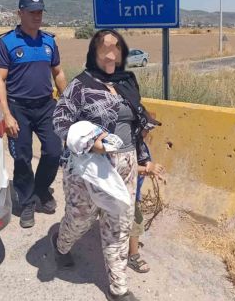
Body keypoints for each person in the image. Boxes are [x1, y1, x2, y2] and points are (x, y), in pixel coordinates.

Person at [51, 29, 159, 301]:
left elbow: (135, 122)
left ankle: (118, 289)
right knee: (80, 219)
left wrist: (143, 153)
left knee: (119, 224)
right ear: (94, 52)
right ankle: (61, 245)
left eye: (116, 47)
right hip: (89, 165)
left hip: (126, 163)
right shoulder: (80, 85)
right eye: (105, 47)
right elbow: (60, 121)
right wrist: (91, 142)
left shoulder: (127, 81)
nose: (111, 53)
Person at [0, 0, 67, 228]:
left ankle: (41, 189)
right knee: (22, 158)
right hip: (18, 108)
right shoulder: (7, 42)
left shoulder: (49, 42)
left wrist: (67, 101)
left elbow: (58, 72)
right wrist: (6, 114)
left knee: (54, 151)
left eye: (40, 12)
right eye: (32, 12)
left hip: (46, 106)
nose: (37, 16)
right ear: (20, 13)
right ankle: (26, 202)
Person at [128, 140, 165, 274]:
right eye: (146, 130)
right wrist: (147, 169)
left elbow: (146, 163)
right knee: (136, 222)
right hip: (125, 193)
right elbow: (122, 166)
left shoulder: (141, 145)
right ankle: (133, 256)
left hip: (133, 193)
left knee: (134, 222)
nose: (147, 132)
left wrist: (154, 172)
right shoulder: (127, 143)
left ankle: (129, 250)